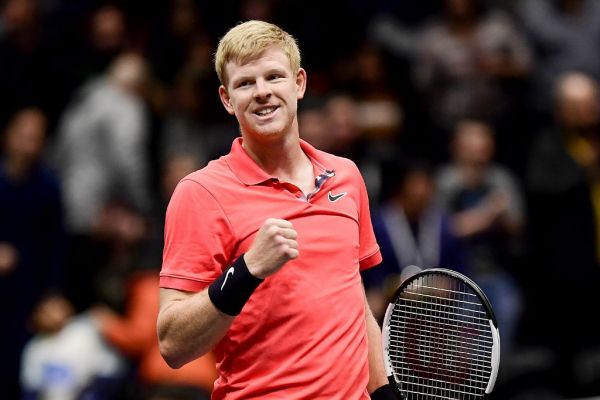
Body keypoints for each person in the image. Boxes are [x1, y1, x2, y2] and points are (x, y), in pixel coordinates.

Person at [157, 20, 396, 399]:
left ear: (299, 83)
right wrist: (246, 271)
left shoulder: (345, 177)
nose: (263, 92)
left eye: (273, 77)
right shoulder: (199, 193)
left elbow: (353, 300)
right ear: (226, 98)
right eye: (245, 83)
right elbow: (172, 344)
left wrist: (383, 392)